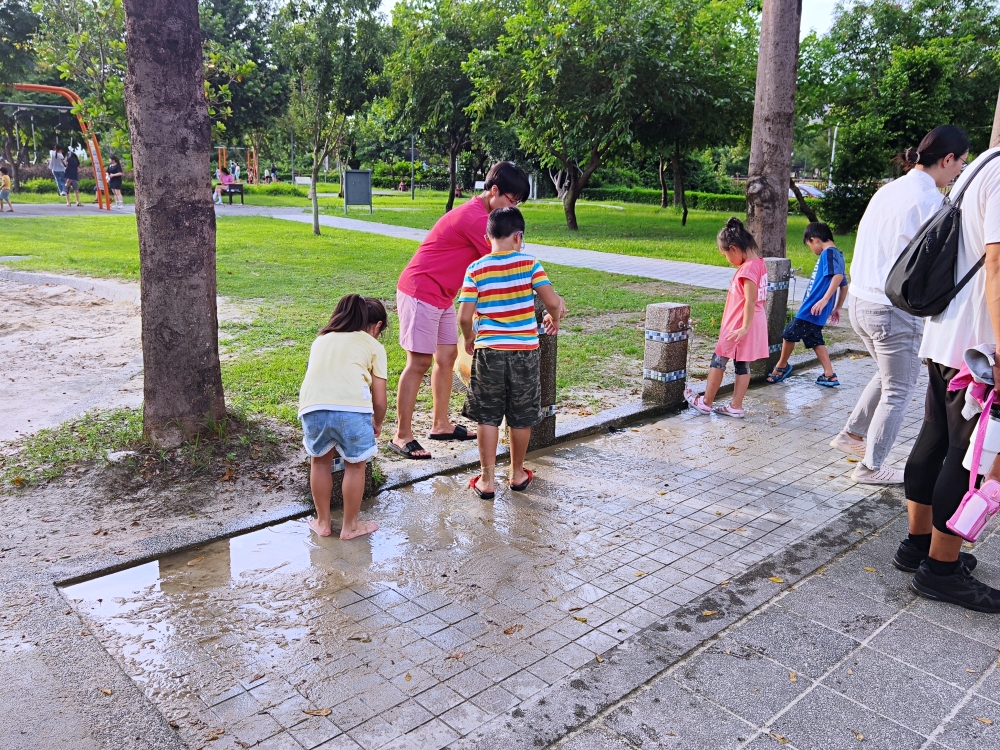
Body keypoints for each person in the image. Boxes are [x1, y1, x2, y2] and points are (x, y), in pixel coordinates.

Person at [830, 126, 970, 484]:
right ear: (948, 159)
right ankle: (871, 467)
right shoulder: (933, 203)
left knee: (890, 375)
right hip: (894, 311)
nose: (960, 173)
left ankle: (853, 434)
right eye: (961, 164)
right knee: (900, 388)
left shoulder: (888, 190)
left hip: (862, 303)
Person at [897, 137, 1000, 611]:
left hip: (946, 332)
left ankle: (918, 544)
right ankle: (940, 569)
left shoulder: (983, 162)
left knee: (935, 438)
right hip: (978, 346)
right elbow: (997, 264)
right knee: (965, 456)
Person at [391, 161, 541, 460]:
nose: (512, 208)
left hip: (444, 294)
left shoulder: (484, 216)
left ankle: (440, 424)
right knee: (418, 363)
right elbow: (507, 262)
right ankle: (401, 434)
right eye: (511, 201)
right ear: (494, 191)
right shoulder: (476, 219)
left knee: (445, 358)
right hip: (421, 289)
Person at [458, 207, 565, 498]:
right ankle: (518, 473)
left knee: (488, 416)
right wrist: (553, 319)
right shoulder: (531, 265)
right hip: (524, 353)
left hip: (489, 352)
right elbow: (553, 303)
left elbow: (464, 316)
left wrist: (470, 338)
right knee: (520, 416)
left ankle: (487, 480)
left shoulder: (476, 269)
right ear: (519, 237)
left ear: (487, 236)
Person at [298, 295, 388, 540]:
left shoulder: (321, 340)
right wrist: (377, 423)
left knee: (319, 461)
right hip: (353, 410)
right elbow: (379, 400)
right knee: (356, 464)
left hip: (312, 407)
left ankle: (323, 522)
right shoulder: (372, 345)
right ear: (371, 322)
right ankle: (350, 527)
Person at [685, 217, 768, 418]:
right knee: (742, 364)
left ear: (734, 248)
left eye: (724, 255)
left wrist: (744, 327)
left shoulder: (747, 270)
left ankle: (705, 402)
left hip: (739, 323)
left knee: (719, 359)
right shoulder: (759, 263)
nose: (726, 260)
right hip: (753, 321)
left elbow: (749, 300)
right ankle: (735, 406)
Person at [768, 222, 848, 386]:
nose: (812, 250)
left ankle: (782, 366)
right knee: (814, 340)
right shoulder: (838, 254)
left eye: (810, 245)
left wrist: (825, 300)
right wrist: (837, 307)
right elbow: (844, 286)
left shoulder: (828, 253)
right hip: (816, 308)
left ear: (815, 240)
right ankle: (829, 375)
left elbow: (838, 278)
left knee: (789, 334)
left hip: (812, 308)